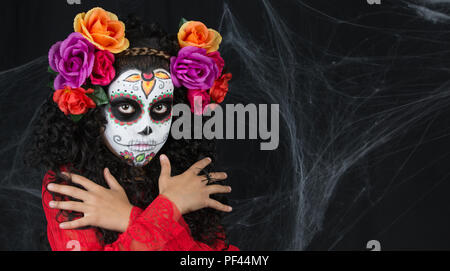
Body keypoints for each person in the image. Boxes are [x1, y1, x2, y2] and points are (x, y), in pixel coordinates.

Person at [26, 7, 238, 251]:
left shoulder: (185, 177)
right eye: (126, 107)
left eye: (160, 108)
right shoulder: (72, 186)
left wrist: (127, 218)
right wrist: (170, 207)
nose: (146, 128)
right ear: (92, 109)